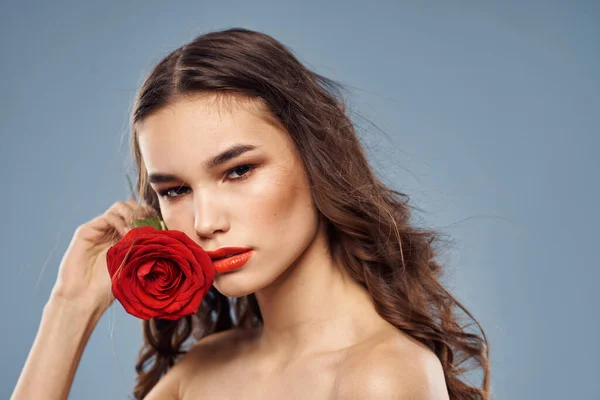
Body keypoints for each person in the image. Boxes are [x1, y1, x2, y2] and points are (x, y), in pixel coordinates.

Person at [12, 28, 490, 400]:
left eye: (238, 171)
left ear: (316, 154)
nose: (204, 222)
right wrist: (70, 307)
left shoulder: (379, 377)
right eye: (176, 189)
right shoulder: (204, 368)